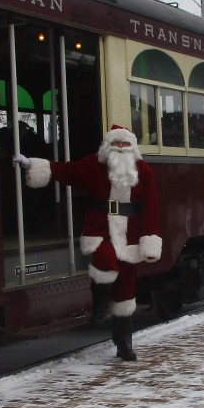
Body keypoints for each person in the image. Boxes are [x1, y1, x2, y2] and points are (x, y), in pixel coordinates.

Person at [14, 124, 162, 361]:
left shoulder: (143, 171)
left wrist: (150, 239)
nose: (121, 148)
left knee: (126, 291)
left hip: (130, 236)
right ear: (108, 147)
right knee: (105, 260)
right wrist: (32, 164)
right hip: (99, 230)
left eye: (125, 144)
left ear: (132, 147)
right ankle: (100, 302)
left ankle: (124, 342)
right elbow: (67, 171)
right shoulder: (94, 166)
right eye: (117, 144)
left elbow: (151, 207)